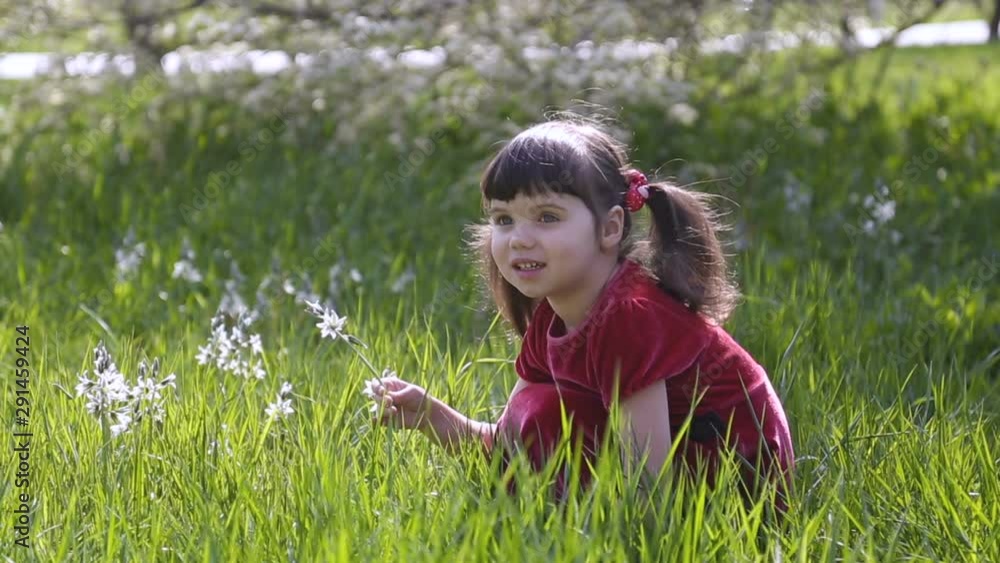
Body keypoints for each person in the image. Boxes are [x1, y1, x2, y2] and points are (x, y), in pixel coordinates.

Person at [367, 117, 794, 511]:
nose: (518, 239)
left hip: (737, 491)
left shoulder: (630, 318)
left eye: (547, 217)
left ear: (609, 228)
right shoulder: (552, 317)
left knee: (554, 415)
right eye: (503, 219)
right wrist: (431, 416)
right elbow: (509, 447)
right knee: (544, 409)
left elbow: (647, 484)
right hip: (676, 478)